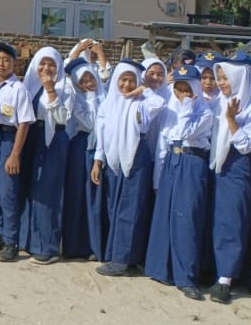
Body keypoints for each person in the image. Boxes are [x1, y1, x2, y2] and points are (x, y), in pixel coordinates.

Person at [144, 64, 214, 299]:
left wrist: (187, 104)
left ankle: (187, 278)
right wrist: (157, 180)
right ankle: (160, 269)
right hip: (172, 164)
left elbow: (185, 132)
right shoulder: (169, 110)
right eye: (178, 88)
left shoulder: (204, 112)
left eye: (187, 89)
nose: (182, 93)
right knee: (165, 216)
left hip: (193, 163)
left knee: (187, 220)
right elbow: (163, 146)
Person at [92, 62, 163, 277]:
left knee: (131, 209)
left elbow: (158, 103)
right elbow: (101, 136)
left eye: (131, 79)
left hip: (135, 157)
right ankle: (119, 255)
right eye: (123, 79)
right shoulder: (108, 104)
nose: (126, 84)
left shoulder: (141, 103)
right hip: (113, 160)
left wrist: (143, 89)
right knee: (115, 207)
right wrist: (98, 160)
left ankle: (123, 260)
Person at [207, 58, 251, 303]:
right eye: (220, 78)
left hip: (238, 166)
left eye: (226, 78)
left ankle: (225, 280)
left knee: (233, 221)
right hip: (218, 164)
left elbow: (247, 146)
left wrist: (231, 120)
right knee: (218, 220)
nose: (221, 83)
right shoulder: (220, 100)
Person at [19, 46, 73, 265]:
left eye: (51, 64)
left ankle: (47, 246)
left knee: (46, 193)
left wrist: (50, 90)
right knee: (28, 190)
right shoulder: (29, 85)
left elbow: (62, 118)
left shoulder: (65, 87)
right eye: (42, 63)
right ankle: (27, 239)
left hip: (52, 141)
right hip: (30, 138)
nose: (46, 68)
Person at [0, 41, 34, 261]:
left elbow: (24, 123)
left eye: (7, 60)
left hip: (8, 139)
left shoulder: (19, 89)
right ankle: (0, 233)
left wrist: (14, 154)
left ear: (15, 64)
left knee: (8, 192)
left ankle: (12, 241)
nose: (2, 64)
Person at [61, 55, 104, 260]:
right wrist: (90, 100)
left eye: (91, 79)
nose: (88, 84)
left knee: (94, 197)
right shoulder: (77, 100)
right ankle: (74, 245)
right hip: (81, 147)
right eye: (83, 81)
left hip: (100, 149)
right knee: (77, 195)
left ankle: (94, 246)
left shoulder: (106, 98)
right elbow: (89, 123)